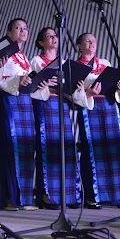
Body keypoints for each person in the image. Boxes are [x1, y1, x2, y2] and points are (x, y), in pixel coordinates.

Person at [71, 33, 120, 209]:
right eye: (87, 41)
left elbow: (113, 87)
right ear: (79, 45)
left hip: (109, 107)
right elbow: (71, 93)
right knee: (91, 151)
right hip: (89, 108)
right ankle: (92, 196)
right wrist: (87, 93)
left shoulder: (105, 64)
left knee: (114, 149)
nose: (92, 43)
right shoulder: (74, 67)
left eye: (94, 40)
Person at [29, 27, 81, 210]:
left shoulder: (65, 62)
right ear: (41, 43)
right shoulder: (36, 61)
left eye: (54, 35)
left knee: (65, 147)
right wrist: (46, 84)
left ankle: (69, 194)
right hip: (45, 103)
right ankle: (46, 195)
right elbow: (32, 86)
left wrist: (77, 86)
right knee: (47, 148)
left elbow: (72, 89)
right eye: (48, 36)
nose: (53, 38)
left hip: (62, 104)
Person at [0, 18, 38, 210]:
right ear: (9, 33)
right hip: (8, 100)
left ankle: (23, 197)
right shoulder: (3, 52)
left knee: (25, 148)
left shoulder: (24, 56)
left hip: (25, 103)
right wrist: (16, 81)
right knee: (9, 149)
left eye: (25, 28)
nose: (22, 31)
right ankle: (8, 197)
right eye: (18, 28)